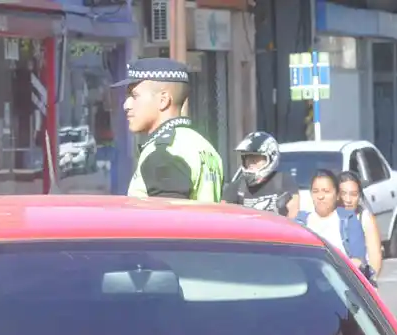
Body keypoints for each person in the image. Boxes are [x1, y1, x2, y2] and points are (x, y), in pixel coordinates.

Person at [114, 58, 224, 202]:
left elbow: (168, 215)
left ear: (163, 100)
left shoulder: (163, 154)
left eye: (134, 96)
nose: (126, 105)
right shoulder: (203, 145)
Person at [295, 169, 377, 285]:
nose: (320, 196)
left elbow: (358, 261)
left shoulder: (348, 220)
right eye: (316, 191)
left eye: (326, 191)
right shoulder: (301, 222)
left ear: (337, 195)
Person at [222, 131, 300, 217]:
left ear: (271, 158)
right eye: (248, 157)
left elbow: (293, 215)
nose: (251, 162)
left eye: (256, 157)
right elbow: (224, 216)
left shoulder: (284, 181)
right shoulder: (237, 187)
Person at [335, 170, 384, 279]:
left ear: (359, 196)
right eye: (343, 194)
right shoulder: (330, 216)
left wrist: (370, 281)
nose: (348, 200)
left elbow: (375, 257)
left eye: (353, 194)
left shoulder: (364, 218)